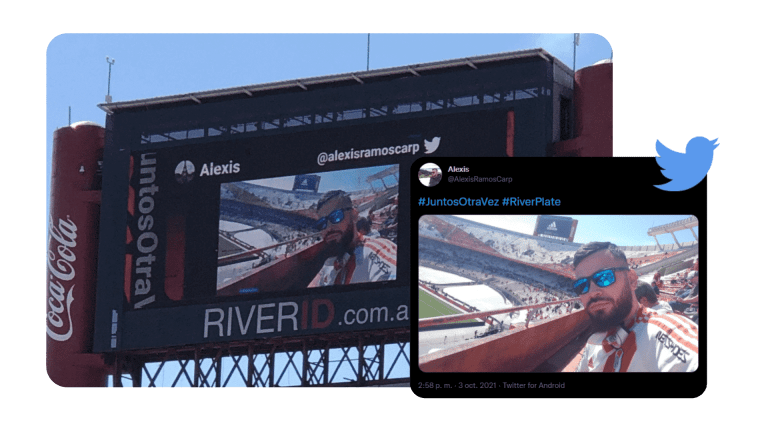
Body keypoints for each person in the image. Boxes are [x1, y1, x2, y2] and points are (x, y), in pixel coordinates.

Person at [572, 242, 698, 372]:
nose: (592, 291)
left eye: (604, 277)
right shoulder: (594, 339)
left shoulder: (664, 332)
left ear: (631, 279)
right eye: (581, 285)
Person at [309, 190, 397, 287]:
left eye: (336, 216)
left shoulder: (375, 250)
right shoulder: (329, 260)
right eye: (322, 223)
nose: (328, 227)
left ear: (354, 215)